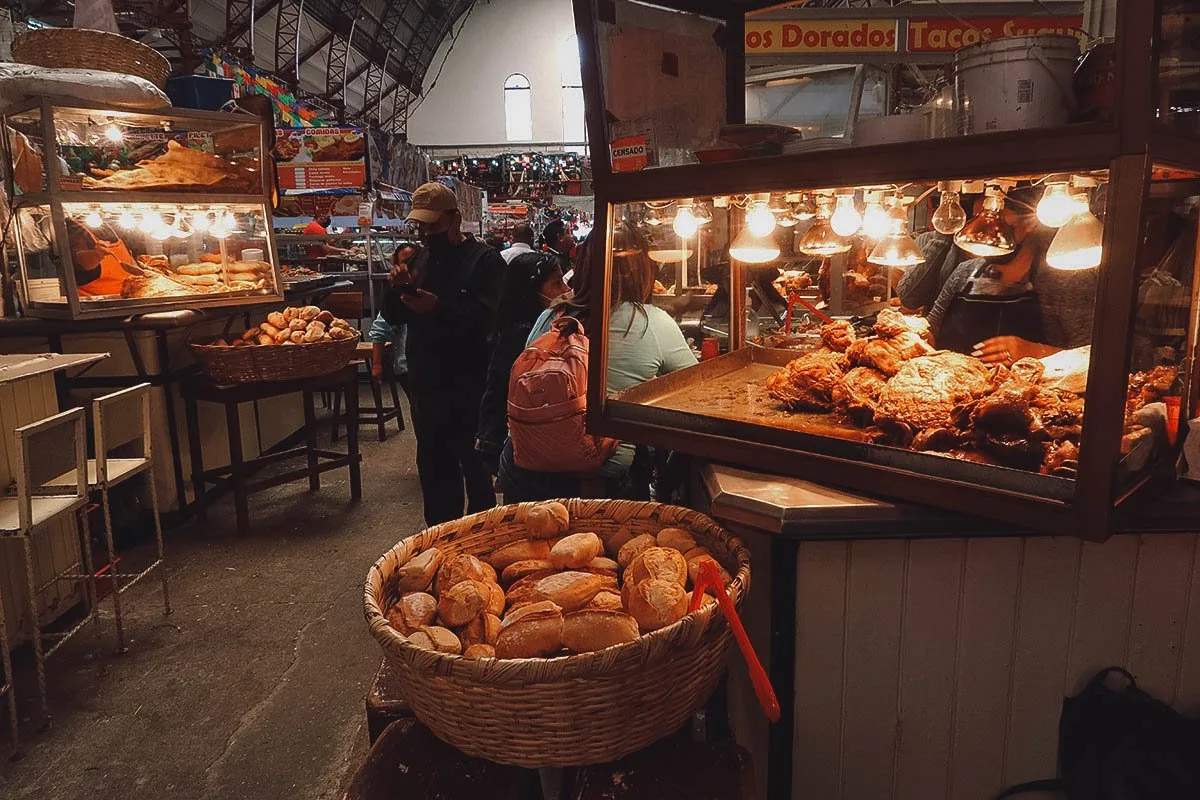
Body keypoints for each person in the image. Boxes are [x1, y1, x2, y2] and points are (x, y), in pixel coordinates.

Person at [498, 224, 697, 500]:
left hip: (523, 470)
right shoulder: (651, 323)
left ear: (584, 264)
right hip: (598, 484)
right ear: (643, 269)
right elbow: (698, 392)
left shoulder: (552, 314)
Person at [381, 182, 505, 525]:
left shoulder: (485, 262)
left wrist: (439, 309)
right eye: (421, 227)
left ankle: (480, 543)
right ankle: (440, 543)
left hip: (471, 388)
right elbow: (394, 316)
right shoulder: (420, 259)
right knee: (435, 476)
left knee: (478, 476)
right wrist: (397, 289)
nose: (427, 233)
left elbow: (488, 321)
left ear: (455, 219)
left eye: (433, 226)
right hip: (428, 387)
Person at [896, 190, 1097, 365]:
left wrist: (1036, 352)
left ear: (1030, 223)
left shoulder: (1065, 280)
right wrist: (906, 336)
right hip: (956, 391)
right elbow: (931, 332)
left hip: (1032, 400)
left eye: (998, 222)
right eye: (979, 220)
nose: (984, 233)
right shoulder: (965, 272)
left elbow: (1092, 357)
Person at [476, 251, 570, 474]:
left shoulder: (525, 325)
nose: (566, 291)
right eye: (557, 284)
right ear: (531, 291)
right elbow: (501, 391)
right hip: (517, 438)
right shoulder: (524, 334)